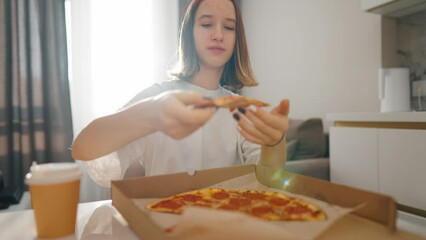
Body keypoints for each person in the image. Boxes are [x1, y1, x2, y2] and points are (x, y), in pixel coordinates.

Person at [71, 0, 290, 188]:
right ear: (189, 34)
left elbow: (268, 183)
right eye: (206, 24)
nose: (218, 35)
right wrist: (150, 114)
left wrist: (274, 143)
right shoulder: (157, 97)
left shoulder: (241, 108)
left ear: (237, 41)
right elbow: (83, 149)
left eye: (229, 27)